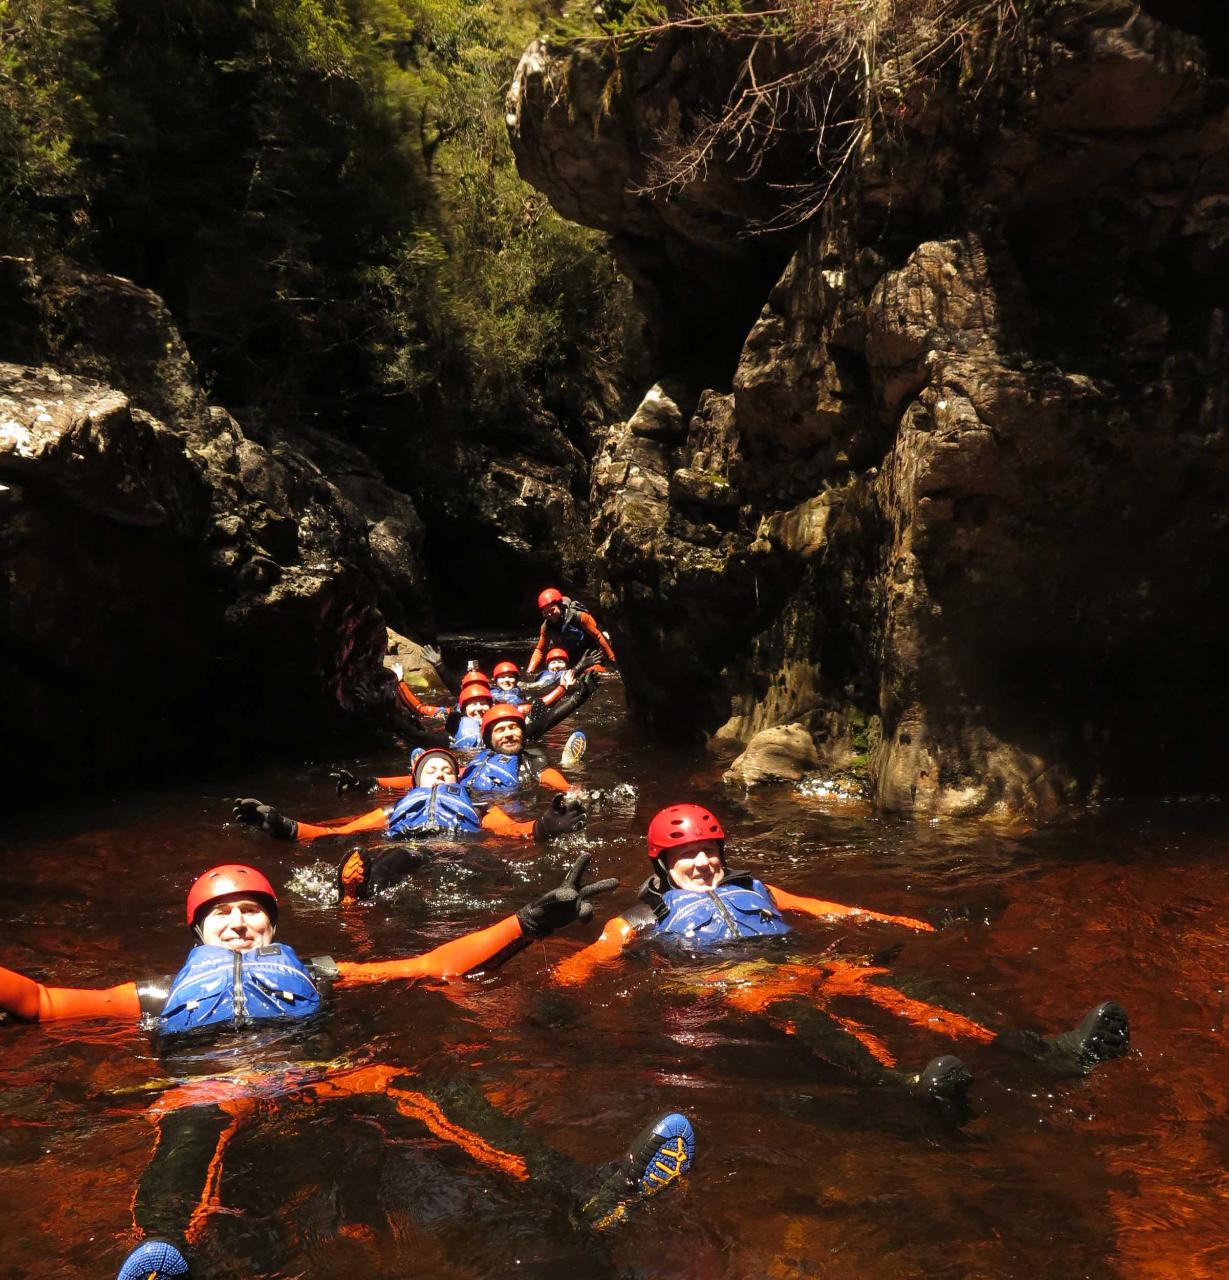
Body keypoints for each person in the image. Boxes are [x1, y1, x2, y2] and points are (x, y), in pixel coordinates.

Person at [0, 860, 691, 1277]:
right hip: (213, 1083)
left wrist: (527, 923)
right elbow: (37, 1000)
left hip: (324, 1074)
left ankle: (591, 1189)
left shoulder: (320, 973)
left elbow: (429, 966)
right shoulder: (154, 996)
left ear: (271, 926)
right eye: (222, 916)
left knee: (430, 1089)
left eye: (250, 912)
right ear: (199, 933)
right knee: (185, 1131)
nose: (238, 923)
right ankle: (166, 1256)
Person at [551, 804, 1131, 1104]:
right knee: (805, 1013)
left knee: (897, 986)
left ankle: (1046, 1052)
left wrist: (900, 921)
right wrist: (558, 983)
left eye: (711, 850)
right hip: (729, 981)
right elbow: (590, 962)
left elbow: (823, 909)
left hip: (798, 961)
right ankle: (898, 1085)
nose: (703, 862)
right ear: (661, 864)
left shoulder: (755, 888)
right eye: (688, 855)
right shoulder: (641, 917)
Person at [230, 743, 587, 853]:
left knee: (489, 869)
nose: (440, 775)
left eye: (447, 771)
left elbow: (515, 832)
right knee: (391, 863)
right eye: (431, 771)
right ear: (415, 783)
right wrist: (285, 827)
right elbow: (336, 833)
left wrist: (547, 825)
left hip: (460, 847)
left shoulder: (479, 808)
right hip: (405, 846)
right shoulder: (390, 811)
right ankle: (358, 889)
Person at [527, 588, 617, 674]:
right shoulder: (546, 627)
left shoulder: (580, 616)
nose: (549, 614)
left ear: (560, 606)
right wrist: (530, 671)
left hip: (591, 657)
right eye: (545, 612)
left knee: (592, 674)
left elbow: (599, 637)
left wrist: (613, 660)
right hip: (571, 660)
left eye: (552, 610)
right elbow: (540, 650)